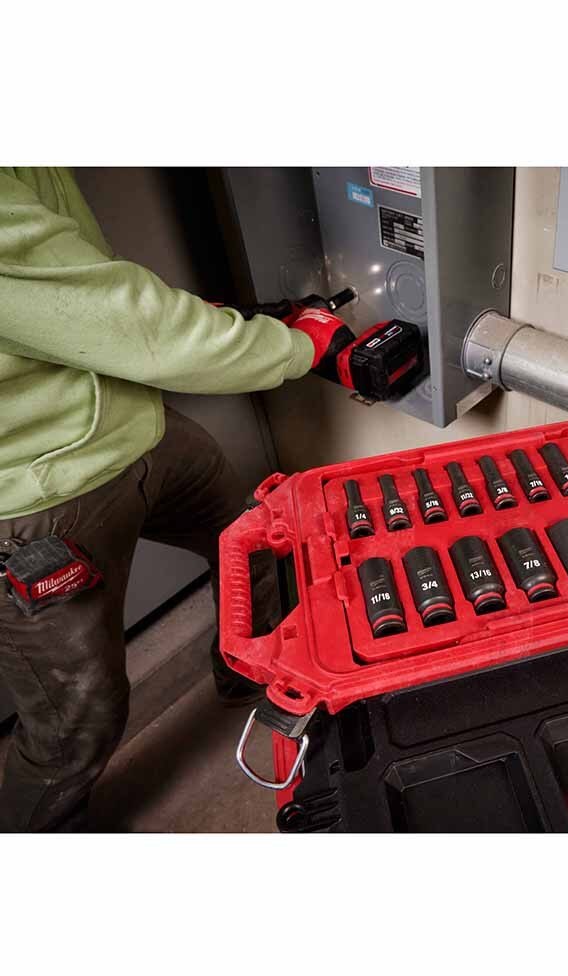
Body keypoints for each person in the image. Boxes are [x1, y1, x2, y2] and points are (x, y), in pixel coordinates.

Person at [0, 167, 344, 832]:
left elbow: (76, 285)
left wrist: (189, 327)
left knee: (252, 536)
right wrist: (301, 347)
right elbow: (127, 322)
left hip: (135, 426)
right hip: (34, 494)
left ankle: (248, 676)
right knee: (77, 720)